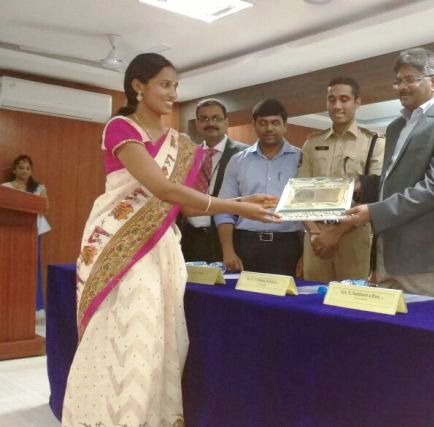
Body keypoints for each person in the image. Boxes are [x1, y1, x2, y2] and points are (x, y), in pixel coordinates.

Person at [63, 53, 278, 426]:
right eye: (164, 84)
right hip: (120, 245)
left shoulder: (181, 144)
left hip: (162, 248)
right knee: (123, 334)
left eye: (175, 86)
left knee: (160, 338)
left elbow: (188, 207)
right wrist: (236, 206)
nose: (172, 93)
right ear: (138, 86)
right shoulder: (121, 127)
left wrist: (243, 201)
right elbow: (162, 188)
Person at [344, 47, 434, 297]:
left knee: (421, 322)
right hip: (387, 253)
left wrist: (374, 212)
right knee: (384, 321)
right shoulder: (395, 127)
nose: (402, 87)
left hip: (425, 258)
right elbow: (396, 180)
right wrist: (364, 186)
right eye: (398, 81)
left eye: (410, 79)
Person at [298, 77, 385, 282]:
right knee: (313, 297)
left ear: (357, 102)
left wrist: (335, 234)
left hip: (354, 234)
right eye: (332, 99)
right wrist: (314, 233)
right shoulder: (312, 143)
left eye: (344, 99)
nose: (337, 105)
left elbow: (375, 193)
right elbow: (300, 194)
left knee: (350, 297)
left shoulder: (374, 142)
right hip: (315, 237)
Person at [216, 98, 304, 276]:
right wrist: (228, 251)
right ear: (254, 125)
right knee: (242, 294)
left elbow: (309, 210)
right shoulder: (237, 161)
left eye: (275, 123)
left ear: (285, 126)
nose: (269, 128)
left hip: (289, 245)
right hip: (245, 243)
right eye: (263, 123)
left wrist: (306, 255)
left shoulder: (301, 159)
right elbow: (224, 208)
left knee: (287, 294)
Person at [177, 99, 248, 264]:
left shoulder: (244, 154)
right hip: (189, 237)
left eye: (216, 118)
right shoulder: (188, 154)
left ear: (226, 122)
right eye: (204, 119)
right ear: (197, 124)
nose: (210, 123)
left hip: (228, 238)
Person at [3, 154, 51, 315]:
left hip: (33, 231)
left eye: (28, 168)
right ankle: (9, 304)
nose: (24, 171)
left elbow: (45, 208)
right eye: (21, 167)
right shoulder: (5, 188)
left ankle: (36, 306)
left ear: (31, 171)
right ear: (14, 170)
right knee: (10, 267)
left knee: (32, 267)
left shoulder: (39, 188)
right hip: (9, 233)